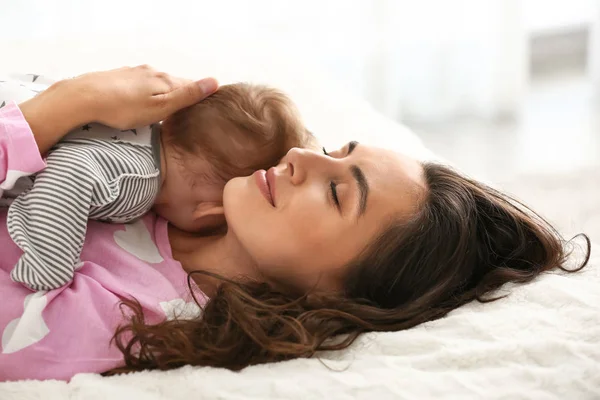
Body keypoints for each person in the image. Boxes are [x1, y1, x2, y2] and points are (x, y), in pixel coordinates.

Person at [0, 66, 589, 382]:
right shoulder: (170, 197)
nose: (304, 159)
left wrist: (62, 109)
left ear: (336, 292)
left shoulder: (140, 319)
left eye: (335, 191)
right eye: (336, 150)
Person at [0, 76, 313, 291]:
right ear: (209, 211)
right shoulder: (141, 178)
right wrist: (49, 264)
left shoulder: (135, 116)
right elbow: (70, 170)